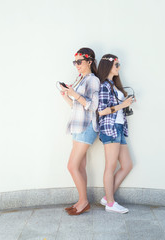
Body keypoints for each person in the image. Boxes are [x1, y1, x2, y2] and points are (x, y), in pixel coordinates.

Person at [60, 47, 100, 215]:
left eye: (79, 62)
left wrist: (75, 94)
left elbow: (94, 106)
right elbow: (77, 107)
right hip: (77, 126)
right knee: (80, 166)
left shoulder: (92, 80)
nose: (76, 65)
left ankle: (84, 202)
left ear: (89, 61)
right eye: (75, 62)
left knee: (72, 166)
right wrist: (67, 96)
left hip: (86, 127)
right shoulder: (82, 80)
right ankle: (82, 200)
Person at [97, 54, 134, 213]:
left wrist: (127, 103)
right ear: (108, 66)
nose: (119, 68)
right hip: (110, 128)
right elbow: (101, 111)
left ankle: (107, 197)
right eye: (116, 65)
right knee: (110, 166)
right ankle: (111, 204)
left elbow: (116, 106)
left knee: (127, 165)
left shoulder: (114, 85)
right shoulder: (104, 85)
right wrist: (122, 105)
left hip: (119, 127)